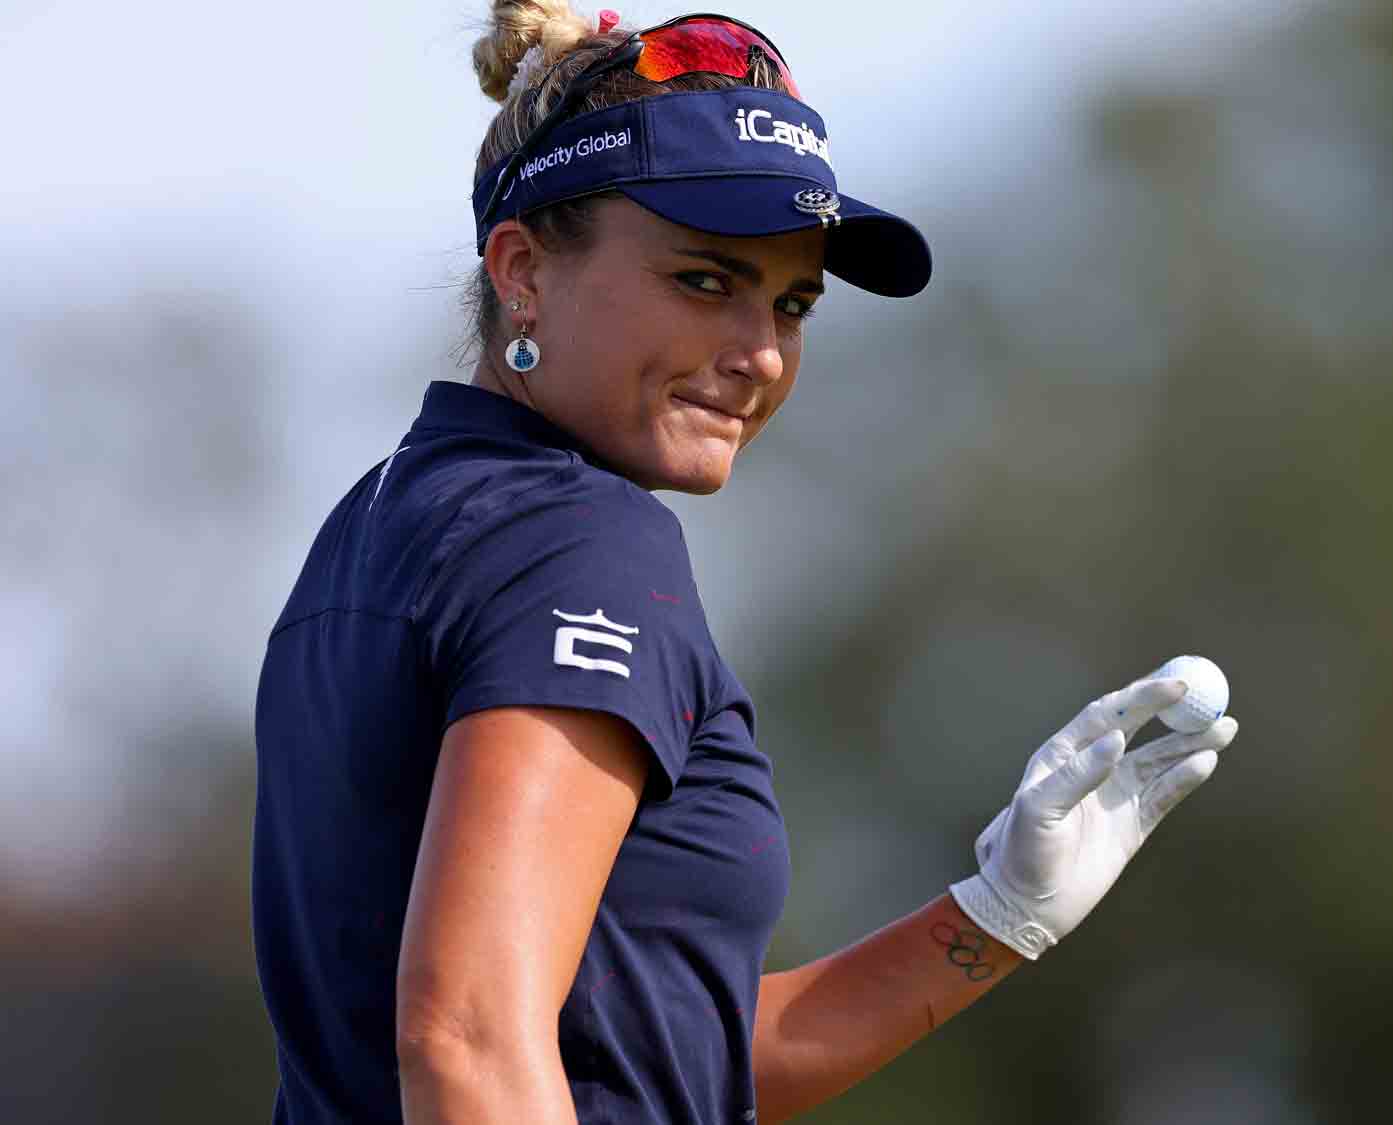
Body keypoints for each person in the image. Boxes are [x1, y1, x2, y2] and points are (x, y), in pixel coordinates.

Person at [250, 4, 1240, 1123]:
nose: (760, 352)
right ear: (521, 270)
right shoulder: (576, 540)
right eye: (705, 281)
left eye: (792, 302)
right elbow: (470, 1043)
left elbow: (656, 1062)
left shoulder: (379, 520)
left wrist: (995, 917)